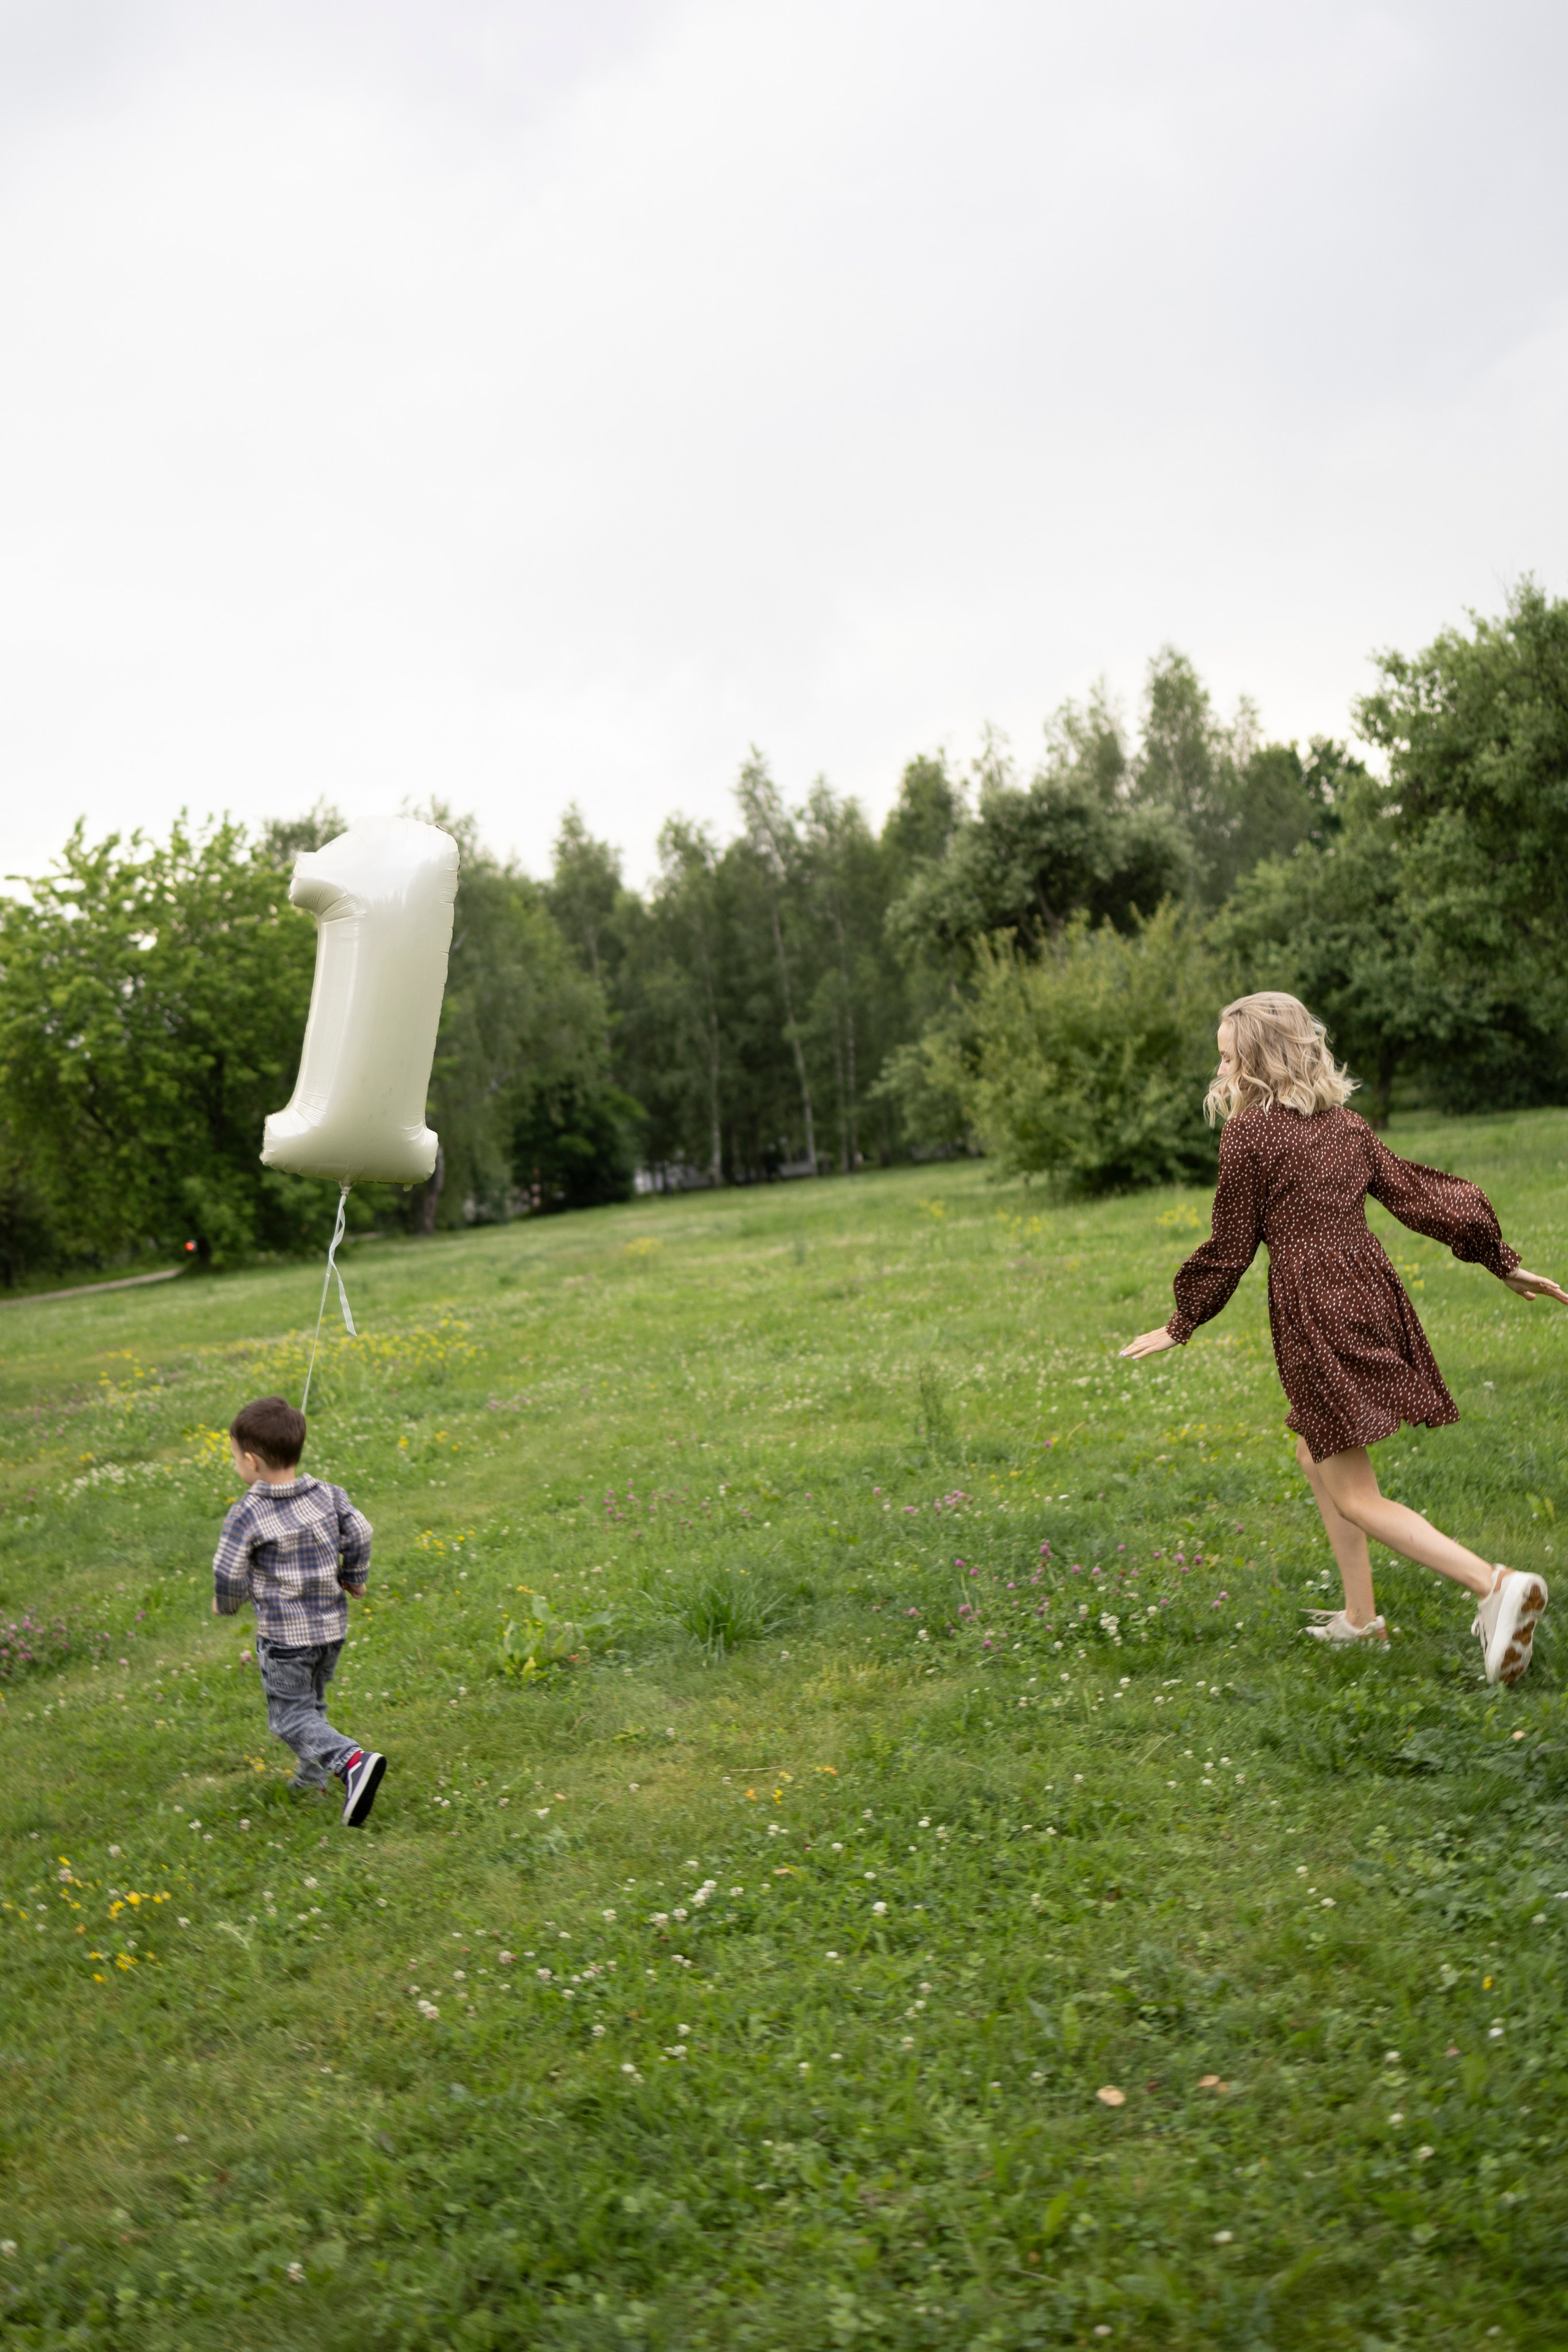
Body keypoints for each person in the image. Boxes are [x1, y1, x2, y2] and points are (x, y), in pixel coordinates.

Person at [1120, 992, 1568, 1686]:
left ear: (1256, 1056)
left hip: (1314, 1313)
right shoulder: (1346, 1127)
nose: (1220, 1064)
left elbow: (1231, 1245)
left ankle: (1495, 1584)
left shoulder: (1249, 1136)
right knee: (1314, 1449)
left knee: (1355, 1492)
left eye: (1225, 1051)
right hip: (1368, 1296)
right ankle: (1361, 1621)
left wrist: (1180, 1323)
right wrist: (1498, 1259)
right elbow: (1421, 1193)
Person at [213, 1394, 386, 1824]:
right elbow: (361, 1529)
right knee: (312, 1705)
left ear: (252, 1462)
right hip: (331, 1629)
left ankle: (352, 1763)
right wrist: (356, 1576)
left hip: (286, 1638)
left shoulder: (247, 1513)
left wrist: (227, 1603)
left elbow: (229, 1569)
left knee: (289, 1717)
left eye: (235, 1457)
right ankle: (312, 1779)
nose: (236, 1464)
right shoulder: (329, 1494)